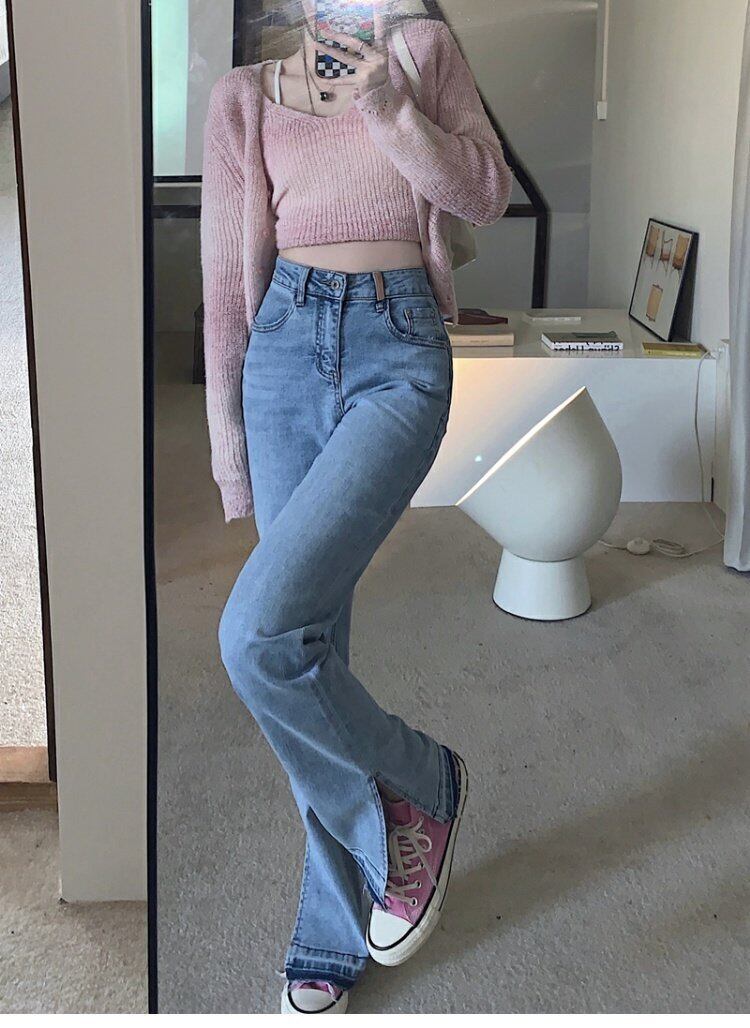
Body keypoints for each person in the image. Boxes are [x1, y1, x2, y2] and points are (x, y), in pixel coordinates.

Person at [200, 0, 512, 1014]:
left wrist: (389, 108)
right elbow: (224, 285)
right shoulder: (242, 97)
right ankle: (343, 915)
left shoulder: (421, 53)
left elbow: (485, 194)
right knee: (304, 647)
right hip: (282, 357)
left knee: (255, 636)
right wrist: (230, 450)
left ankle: (421, 778)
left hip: (397, 354)